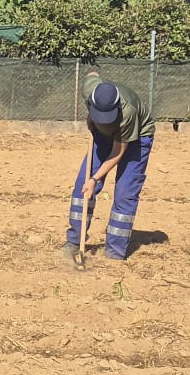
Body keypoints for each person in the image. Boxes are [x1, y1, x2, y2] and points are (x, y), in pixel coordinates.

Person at [62, 77, 153, 264]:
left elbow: (118, 152)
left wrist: (95, 179)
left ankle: (115, 252)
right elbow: (92, 74)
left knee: (124, 192)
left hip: (135, 140)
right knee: (82, 185)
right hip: (102, 135)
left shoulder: (128, 112)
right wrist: (91, 120)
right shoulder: (89, 89)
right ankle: (74, 241)